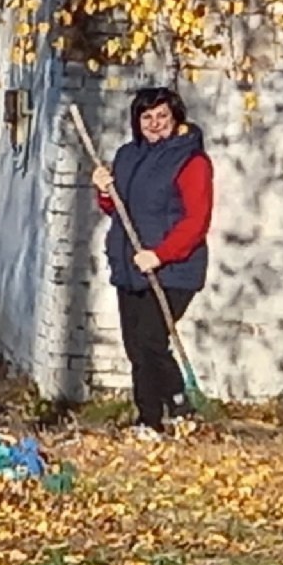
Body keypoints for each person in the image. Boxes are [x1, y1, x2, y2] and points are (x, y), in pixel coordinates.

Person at [90, 84, 212, 437]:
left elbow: (196, 221)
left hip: (174, 270)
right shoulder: (129, 155)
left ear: (176, 119)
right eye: (147, 117)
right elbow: (117, 208)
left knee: (150, 339)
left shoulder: (192, 162)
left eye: (162, 116)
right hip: (131, 267)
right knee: (136, 346)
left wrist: (161, 254)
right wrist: (103, 189)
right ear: (137, 121)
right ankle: (149, 420)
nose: (155, 124)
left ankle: (178, 407)